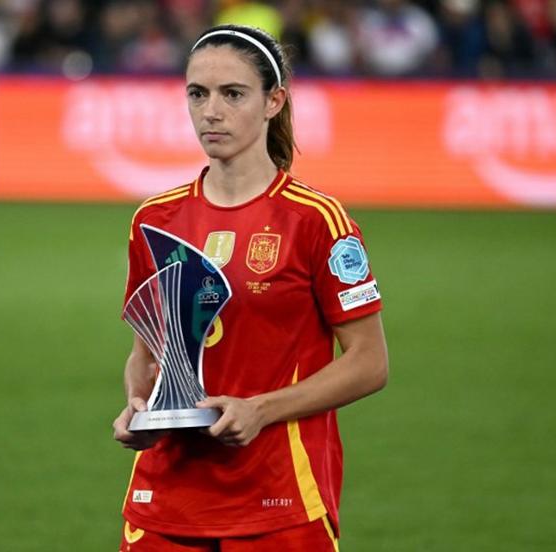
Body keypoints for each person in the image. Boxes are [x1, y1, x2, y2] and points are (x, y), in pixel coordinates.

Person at [112, 23, 389, 551]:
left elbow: (370, 363)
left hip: (279, 502)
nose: (210, 111)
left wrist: (260, 409)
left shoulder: (317, 221)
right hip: (164, 498)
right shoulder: (156, 220)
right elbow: (147, 354)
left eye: (232, 94)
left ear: (273, 101)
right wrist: (137, 402)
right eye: (198, 93)